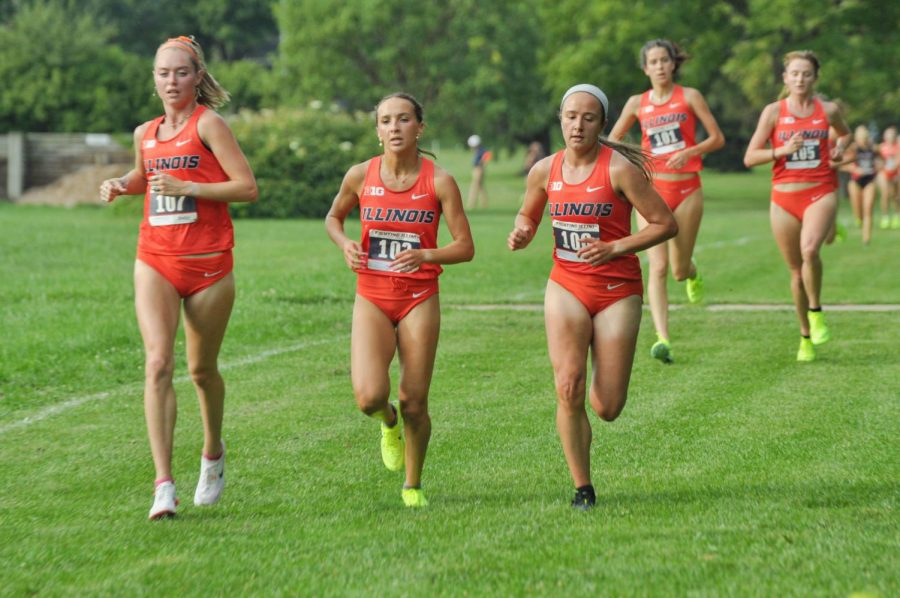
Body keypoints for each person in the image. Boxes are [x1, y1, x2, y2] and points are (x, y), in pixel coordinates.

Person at [99, 35, 258, 520]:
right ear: (154, 80)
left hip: (209, 265)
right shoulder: (145, 132)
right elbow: (146, 175)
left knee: (201, 371)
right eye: (164, 73)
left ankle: (213, 453)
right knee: (157, 364)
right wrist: (122, 184)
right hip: (156, 259)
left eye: (181, 73)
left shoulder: (209, 125)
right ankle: (163, 485)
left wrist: (189, 185)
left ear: (197, 77)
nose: (172, 81)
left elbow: (247, 188)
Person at [507, 84, 676, 510]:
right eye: (570, 116)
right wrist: (524, 230)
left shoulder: (619, 170)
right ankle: (583, 487)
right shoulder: (544, 170)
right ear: (560, 120)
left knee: (607, 405)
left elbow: (664, 224)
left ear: (601, 124)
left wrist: (615, 247)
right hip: (566, 284)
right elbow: (529, 212)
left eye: (587, 117)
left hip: (617, 290)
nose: (577, 124)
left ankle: (597, 415)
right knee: (568, 386)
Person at [325, 92, 474, 508]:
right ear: (378, 130)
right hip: (372, 295)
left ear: (419, 127)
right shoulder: (360, 175)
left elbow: (465, 247)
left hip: (419, 296)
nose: (394, 127)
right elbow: (333, 217)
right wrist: (344, 243)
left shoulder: (440, 181)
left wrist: (426, 253)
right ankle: (386, 423)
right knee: (369, 397)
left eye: (403, 119)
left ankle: (413, 484)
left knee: (414, 399)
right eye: (386, 121)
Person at [609, 39, 725, 364]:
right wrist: (636, 159)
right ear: (645, 68)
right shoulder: (637, 103)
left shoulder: (689, 97)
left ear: (673, 64)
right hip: (651, 194)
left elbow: (717, 138)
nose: (660, 66)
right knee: (656, 267)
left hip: (687, 189)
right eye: (653, 62)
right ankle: (663, 339)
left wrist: (690, 151)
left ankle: (692, 272)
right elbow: (613, 141)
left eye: (665, 60)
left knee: (677, 269)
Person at [743, 50, 850, 362]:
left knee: (809, 251)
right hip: (783, 197)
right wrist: (782, 149)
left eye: (806, 74)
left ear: (815, 78)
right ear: (785, 78)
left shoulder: (827, 110)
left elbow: (845, 136)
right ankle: (805, 334)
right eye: (794, 73)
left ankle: (816, 311)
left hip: (820, 191)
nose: (800, 79)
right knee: (794, 270)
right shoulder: (773, 112)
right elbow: (750, 157)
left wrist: (840, 149)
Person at [843, 125, 880, 244]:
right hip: (855, 181)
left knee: (868, 208)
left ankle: (866, 239)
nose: (864, 141)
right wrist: (853, 169)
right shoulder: (853, 149)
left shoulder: (873, 148)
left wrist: (879, 165)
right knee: (858, 212)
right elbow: (841, 164)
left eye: (865, 138)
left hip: (870, 180)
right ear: (857, 138)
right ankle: (859, 220)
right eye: (861, 138)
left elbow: (882, 160)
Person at [876, 125, 899, 229]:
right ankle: (885, 217)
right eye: (888, 134)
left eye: (892, 134)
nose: (890, 136)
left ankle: (896, 215)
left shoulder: (898, 146)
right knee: (885, 194)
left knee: (896, 196)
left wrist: (893, 168)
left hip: (896, 173)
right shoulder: (881, 147)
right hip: (884, 173)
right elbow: (878, 160)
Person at [466, 134, 491, 209]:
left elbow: (488, 155)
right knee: (480, 187)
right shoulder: (478, 150)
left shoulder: (482, 150)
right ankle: (485, 204)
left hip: (478, 169)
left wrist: (482, 164)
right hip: (476, 169)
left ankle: (471, 204)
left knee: (474, 186)